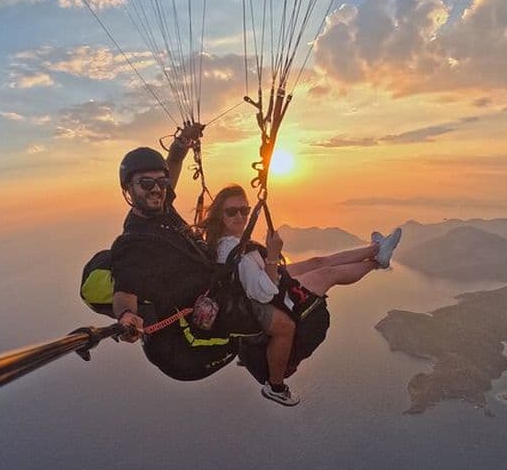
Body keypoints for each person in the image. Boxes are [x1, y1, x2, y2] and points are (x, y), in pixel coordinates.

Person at [202, 184, 402, 406]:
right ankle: (377, 262)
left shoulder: (229, 241)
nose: (240, 216)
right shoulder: (237, 252)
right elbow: (263, 293)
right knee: (327, 274)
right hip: (268, 290)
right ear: (220, 215)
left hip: (267, 276)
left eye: (244, 210)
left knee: (318, 262)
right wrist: (273, 254)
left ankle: (375, 249)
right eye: (232, 212)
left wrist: (270, 261)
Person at [110, 139, 243, 381]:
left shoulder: (163, 209)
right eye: (146, 183)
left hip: (201, 319)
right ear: (128, 189)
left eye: (161, 182)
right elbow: (124, 291)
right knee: (269, 315)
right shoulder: (133, 243)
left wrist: (182, 144)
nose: (156, 189)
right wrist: (126, 316)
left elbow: (172, 162)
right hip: (185, 348)